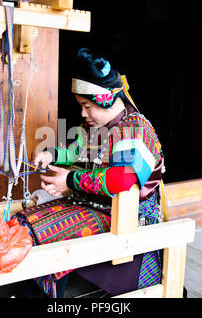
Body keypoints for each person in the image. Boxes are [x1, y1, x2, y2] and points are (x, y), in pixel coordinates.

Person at [31, 48, 166, 297]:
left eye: (87, 105)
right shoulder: (96, 126)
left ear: (105, 100)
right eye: (81, 105)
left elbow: (121, 180)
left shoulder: (134, 131)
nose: (83, 113)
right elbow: (75, 152)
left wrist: (69, 181)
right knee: (29, 220)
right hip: (96, 205)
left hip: (127, 219)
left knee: (42, 235)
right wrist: (51, 154)